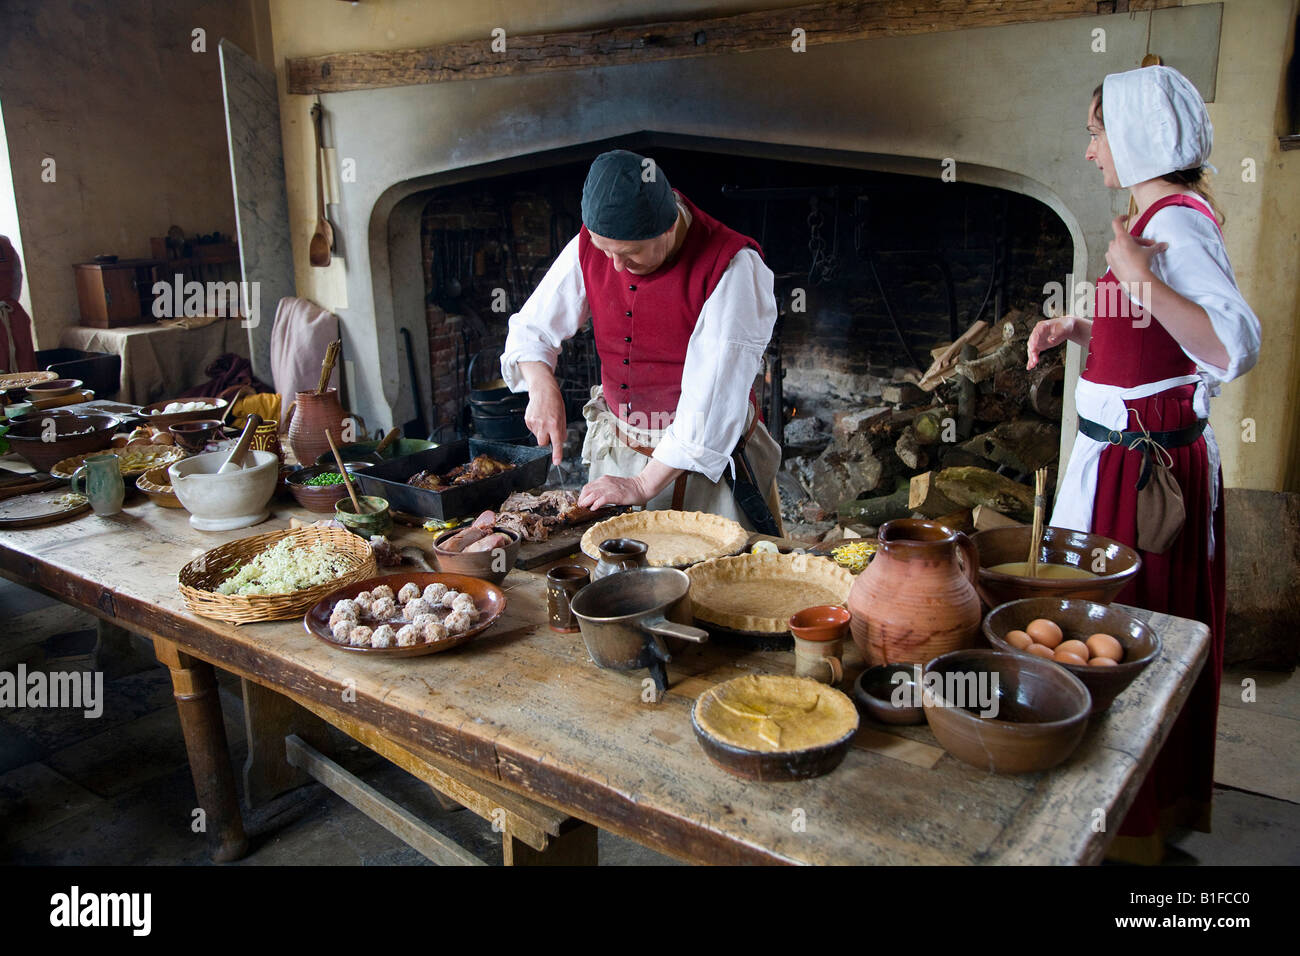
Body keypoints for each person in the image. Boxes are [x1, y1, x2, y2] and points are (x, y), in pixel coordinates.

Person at [1027, 65, 1261, 864]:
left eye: (1097, 133)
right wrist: (1081, 332)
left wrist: (1135, 277)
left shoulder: (1178, 225)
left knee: (1127, 642)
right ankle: (1122, 814)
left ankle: (1130, 832)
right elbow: (1162, 342)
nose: (1091, 152)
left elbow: (1231, 344)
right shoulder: (1156, 214)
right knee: (1108, 634)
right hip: (1118, 465)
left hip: (1141, 479)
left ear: (1133, 137)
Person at [500, 149, 782, 531]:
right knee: (618, 580)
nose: (614, 266)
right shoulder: (596, 244)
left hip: (708, 467)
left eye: (629, 254)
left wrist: (642, 483)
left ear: (667, 229)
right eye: (605, 251)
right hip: (622, 451)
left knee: (717, 581)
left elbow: (712, 404)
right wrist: (541, 384)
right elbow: (533, 329)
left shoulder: (733, 268)